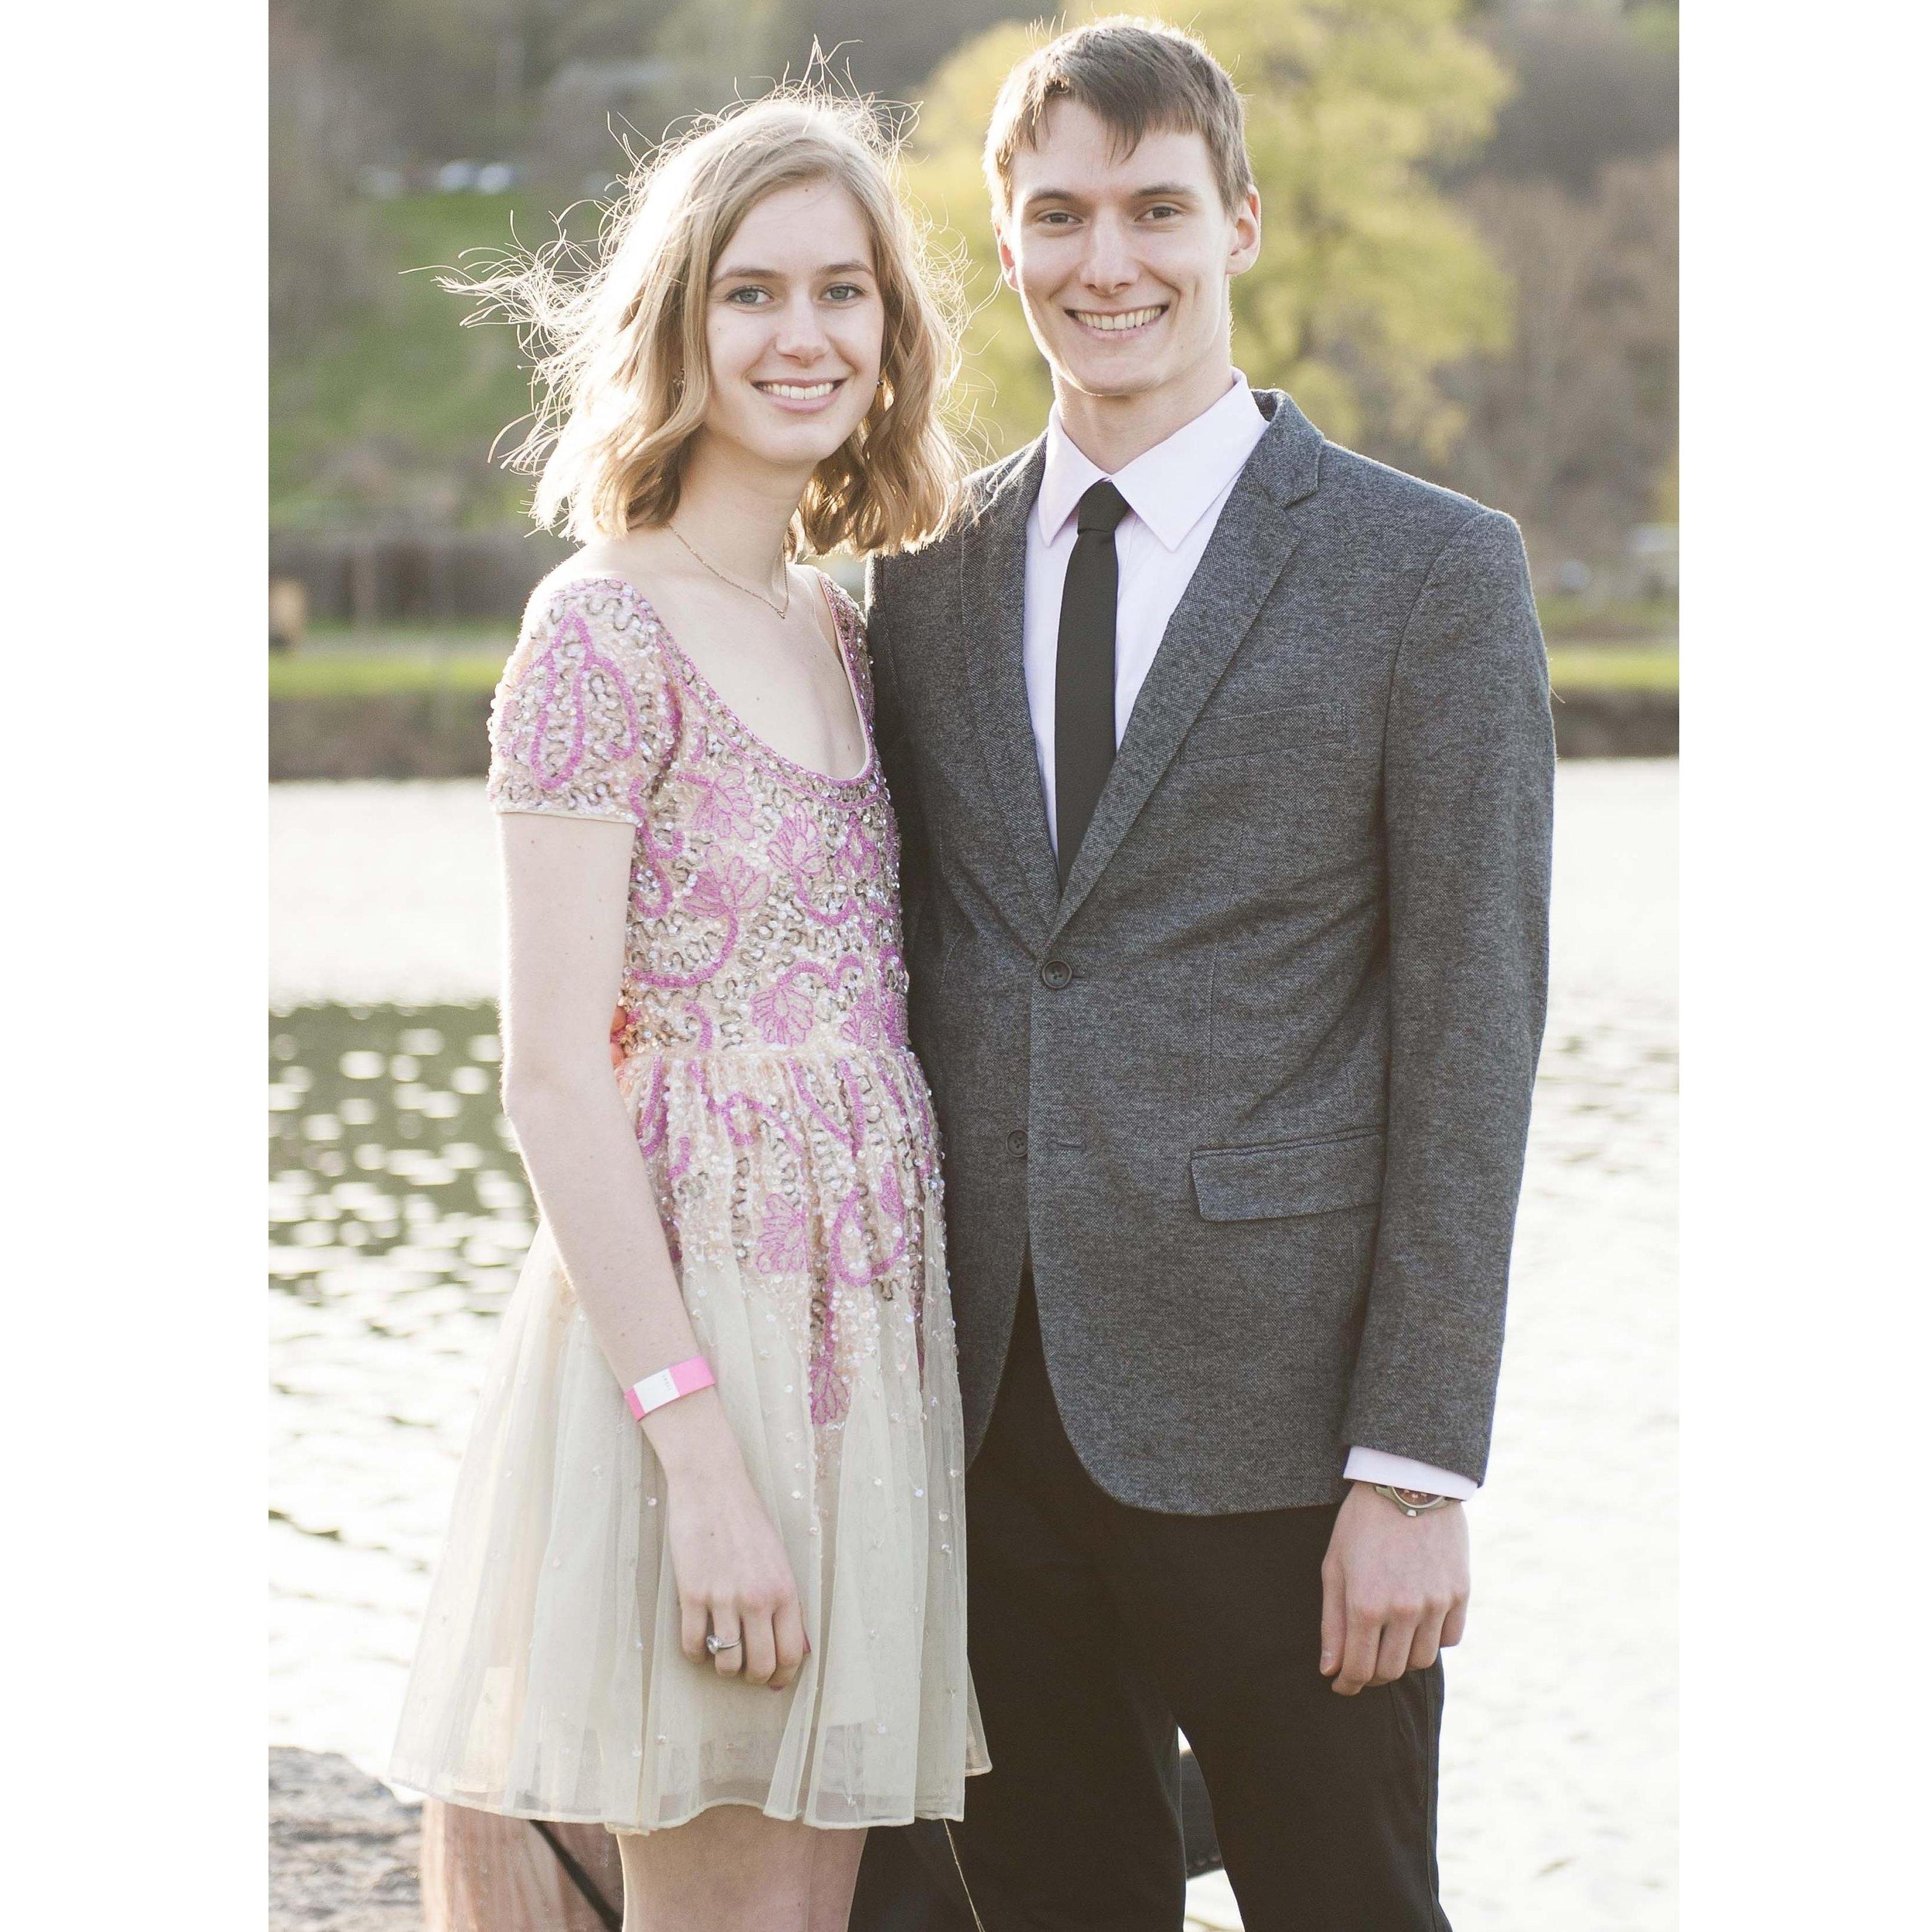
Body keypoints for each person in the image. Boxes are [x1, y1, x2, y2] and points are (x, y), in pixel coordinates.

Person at [856, 19, 1555, 1931]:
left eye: (1155, 209)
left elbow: (1473, 1037)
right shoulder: (920, 571)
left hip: (1288, 1436)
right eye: (1060, 214)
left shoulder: (1427, 574)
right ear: (1007, 239)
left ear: (1236, 222)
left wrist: (1413, 1467)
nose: (1109, 260)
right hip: (983, 1423)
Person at [388, 93, 987, 1932]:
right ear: (680, 325)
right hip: (689, 1361)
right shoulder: (599, 631)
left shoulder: (843, 631)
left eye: (843, 291)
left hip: (860, 1346)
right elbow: (554, 1082)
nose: (804, 334)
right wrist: (704, 1464)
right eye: (752, 293)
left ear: (891, 327)